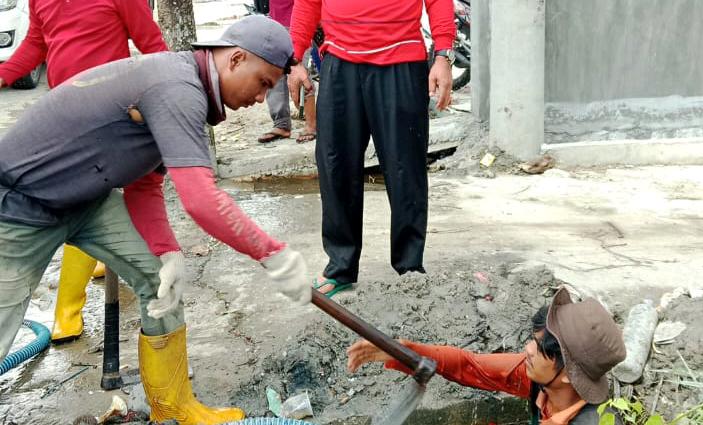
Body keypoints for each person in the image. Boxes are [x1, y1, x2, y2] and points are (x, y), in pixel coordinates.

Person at [0, 16, 310, 425]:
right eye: (265, 83)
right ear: (235, 59)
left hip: (88, 200)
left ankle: (174, 407)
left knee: (159, 283)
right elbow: (200, 199)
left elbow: (146, 182)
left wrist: (166, 252)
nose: (262, 98)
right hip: (21, 206)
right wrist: (272, 254)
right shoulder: (177, 87)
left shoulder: (187, 87)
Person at [0, 0, 169, 343]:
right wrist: (3, 74)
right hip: (63, 120)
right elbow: (37, 42)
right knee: (73, 205)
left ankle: (76, 311)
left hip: (113, 118)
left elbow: (153, 45)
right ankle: (70, 309)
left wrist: (167, 99)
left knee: (124, 205)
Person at [287, 0, 456, 296]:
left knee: (406, 168)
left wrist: (443, 55)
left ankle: (410, 267)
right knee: (335, 164)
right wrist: (294, 57)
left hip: (401, 62)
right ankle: (340, 266)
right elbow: (307, 2)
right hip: (339, 63)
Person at [347, 288, 627, 424]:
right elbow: (469, 366)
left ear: (568, 374)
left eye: (539, 349)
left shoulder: (593, 422)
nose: (527, 350)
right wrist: (404, 351)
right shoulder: (540, 379)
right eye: (533, 340)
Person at [257, 0, 317, 144]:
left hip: (301, 23)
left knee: (301, 75)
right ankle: (281, 124)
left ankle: (311, 124)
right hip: (275, 20)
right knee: (273, 73)